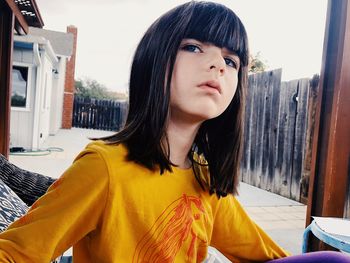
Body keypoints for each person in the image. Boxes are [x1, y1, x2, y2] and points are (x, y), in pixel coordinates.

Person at [0, 1, 349, 263]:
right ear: (154, 61)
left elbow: (268, 257)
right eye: (194, 47)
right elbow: (18, 252)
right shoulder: (104, 168)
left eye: (232, 61)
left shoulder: (206, 182)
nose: (217, 65)